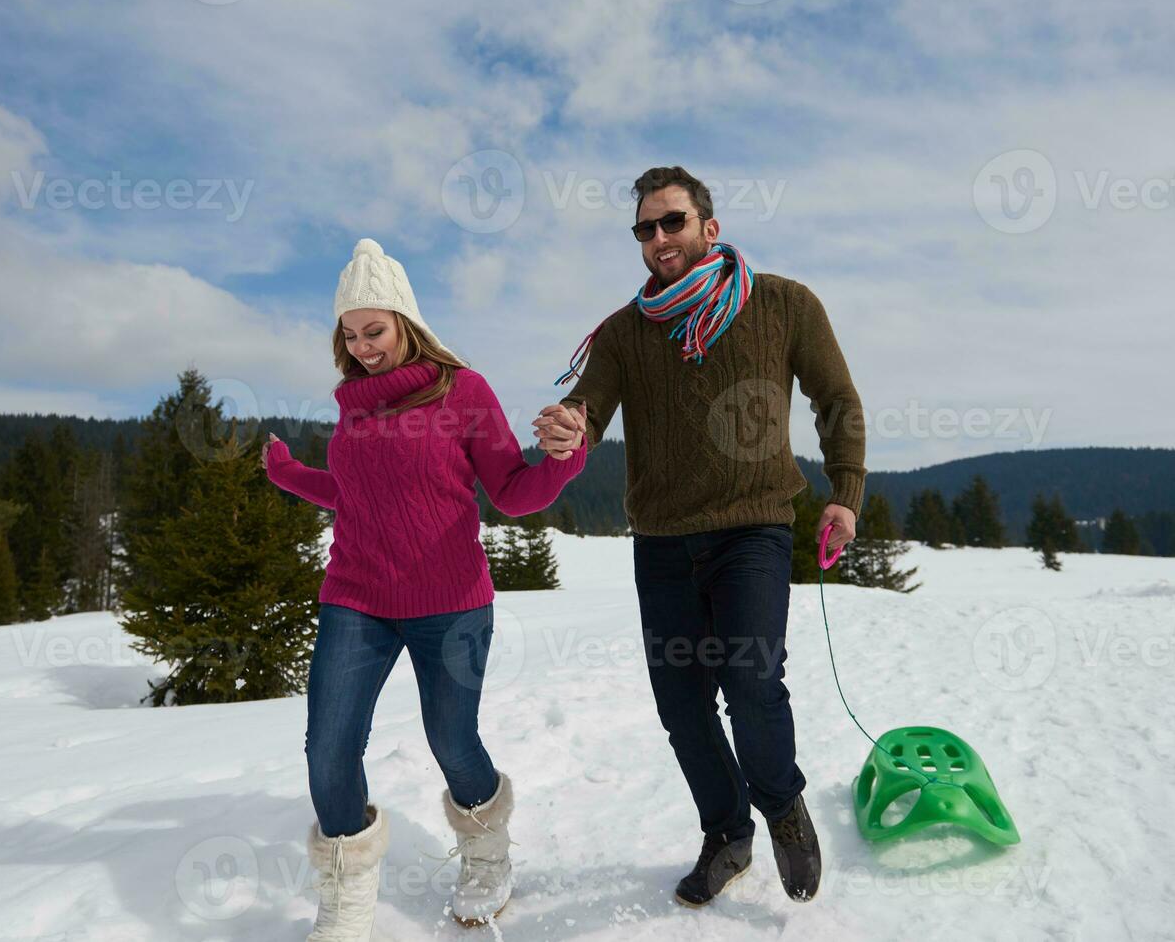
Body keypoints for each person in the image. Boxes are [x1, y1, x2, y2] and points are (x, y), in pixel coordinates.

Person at [532, 166, 867, 907]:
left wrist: (844, 493)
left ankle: (779, 805)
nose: (658, 239)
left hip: (753, 529)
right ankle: (726, 833)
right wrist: (569, 427)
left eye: (671, 222)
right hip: (661, 541)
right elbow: (588, 407)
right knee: (681, 704)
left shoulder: (782, 303)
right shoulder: (623, 332)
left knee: (750, 682)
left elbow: (835, 397)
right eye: (644, 229)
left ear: (707, 228)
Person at [262, 238, 587, 938]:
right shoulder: (352, 402)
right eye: (349, 335)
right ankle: (347, 897)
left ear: (406, 323)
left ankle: (485, 852)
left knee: (451, 738)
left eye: (373, 330)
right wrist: (289, 474)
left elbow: (511, 489)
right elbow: (354, 490)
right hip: (356, 596)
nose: (362, 346)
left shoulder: (462, 390)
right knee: (328, 742)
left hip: (450, 602)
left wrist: (564, 458)